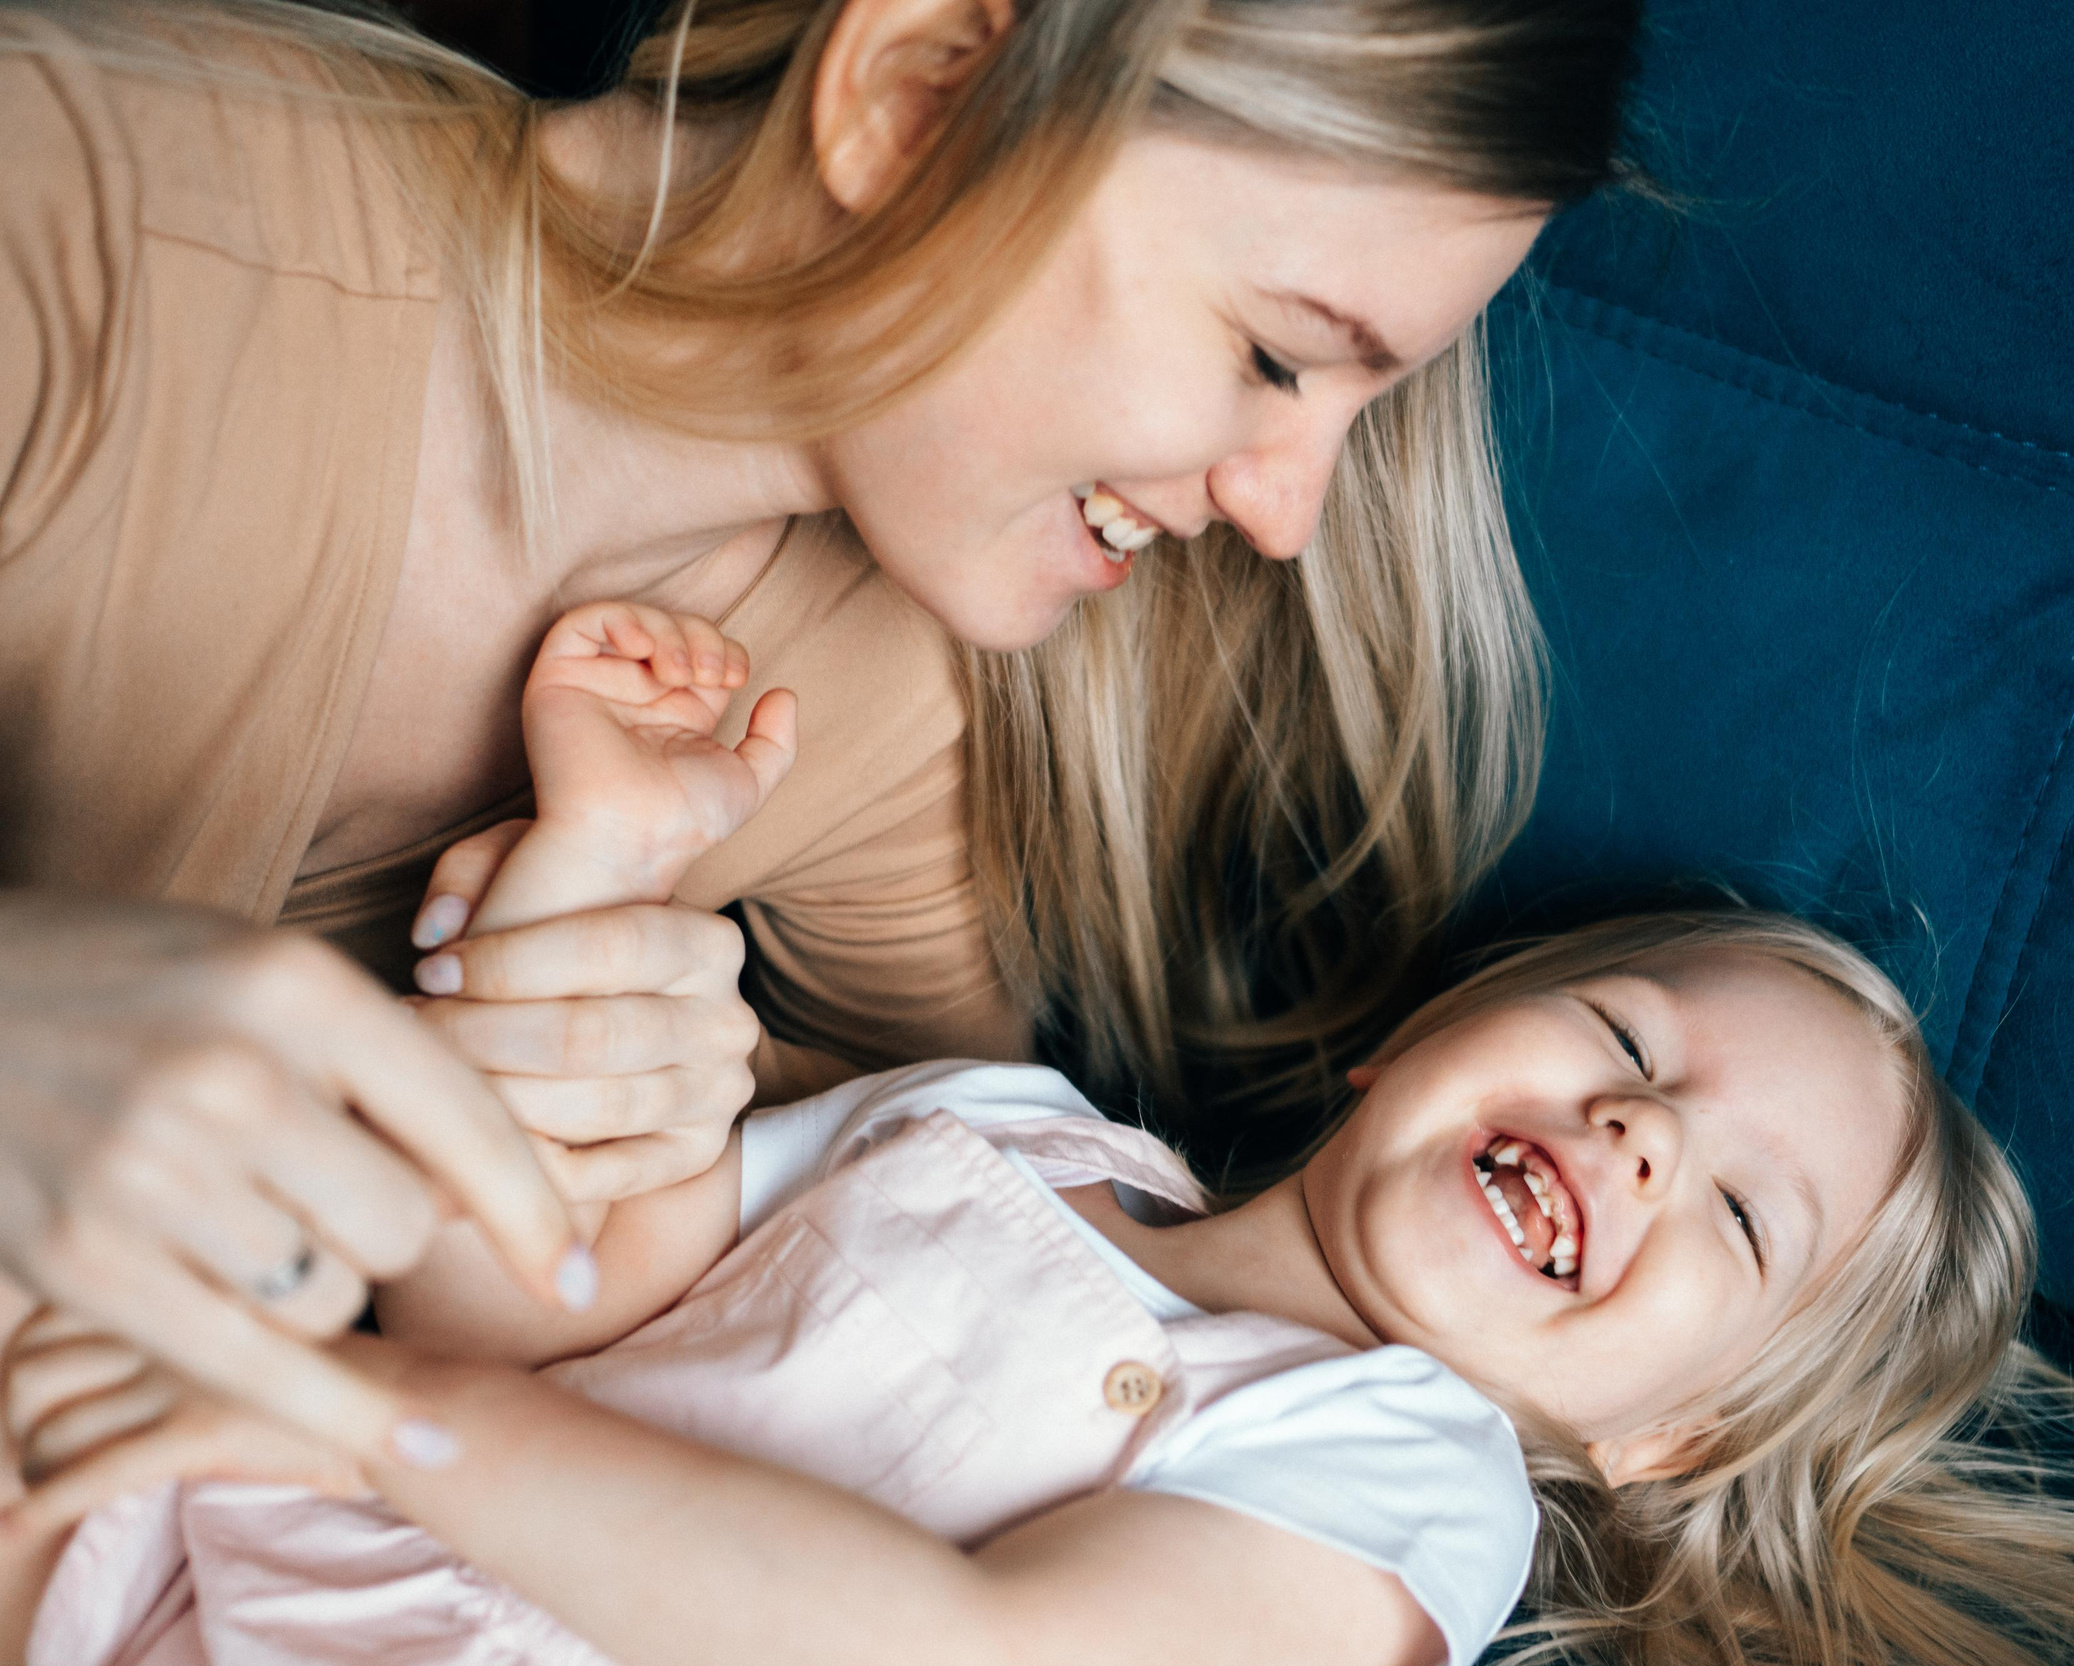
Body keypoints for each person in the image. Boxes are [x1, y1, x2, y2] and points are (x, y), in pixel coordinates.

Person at [0, 607, 2074, 1666]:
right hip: (279, 1583)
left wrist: (374, 1424)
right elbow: (532, 1286)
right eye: (1619, 1038)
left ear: (1664, 1436)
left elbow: (955, 1664)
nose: (1637, 1134)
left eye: (1738, 1208)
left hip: (378, 1506)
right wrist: (601, 884)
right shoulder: (997, 1127)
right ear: (1406, 1035)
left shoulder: (1407, 1483)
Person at [0, 0, 1633, 1463]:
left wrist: (651, 1126)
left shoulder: (876, 726)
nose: (1288, 517)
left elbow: (907, 1304)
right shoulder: (89, 221)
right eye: (1274, 353)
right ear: (914, 96)